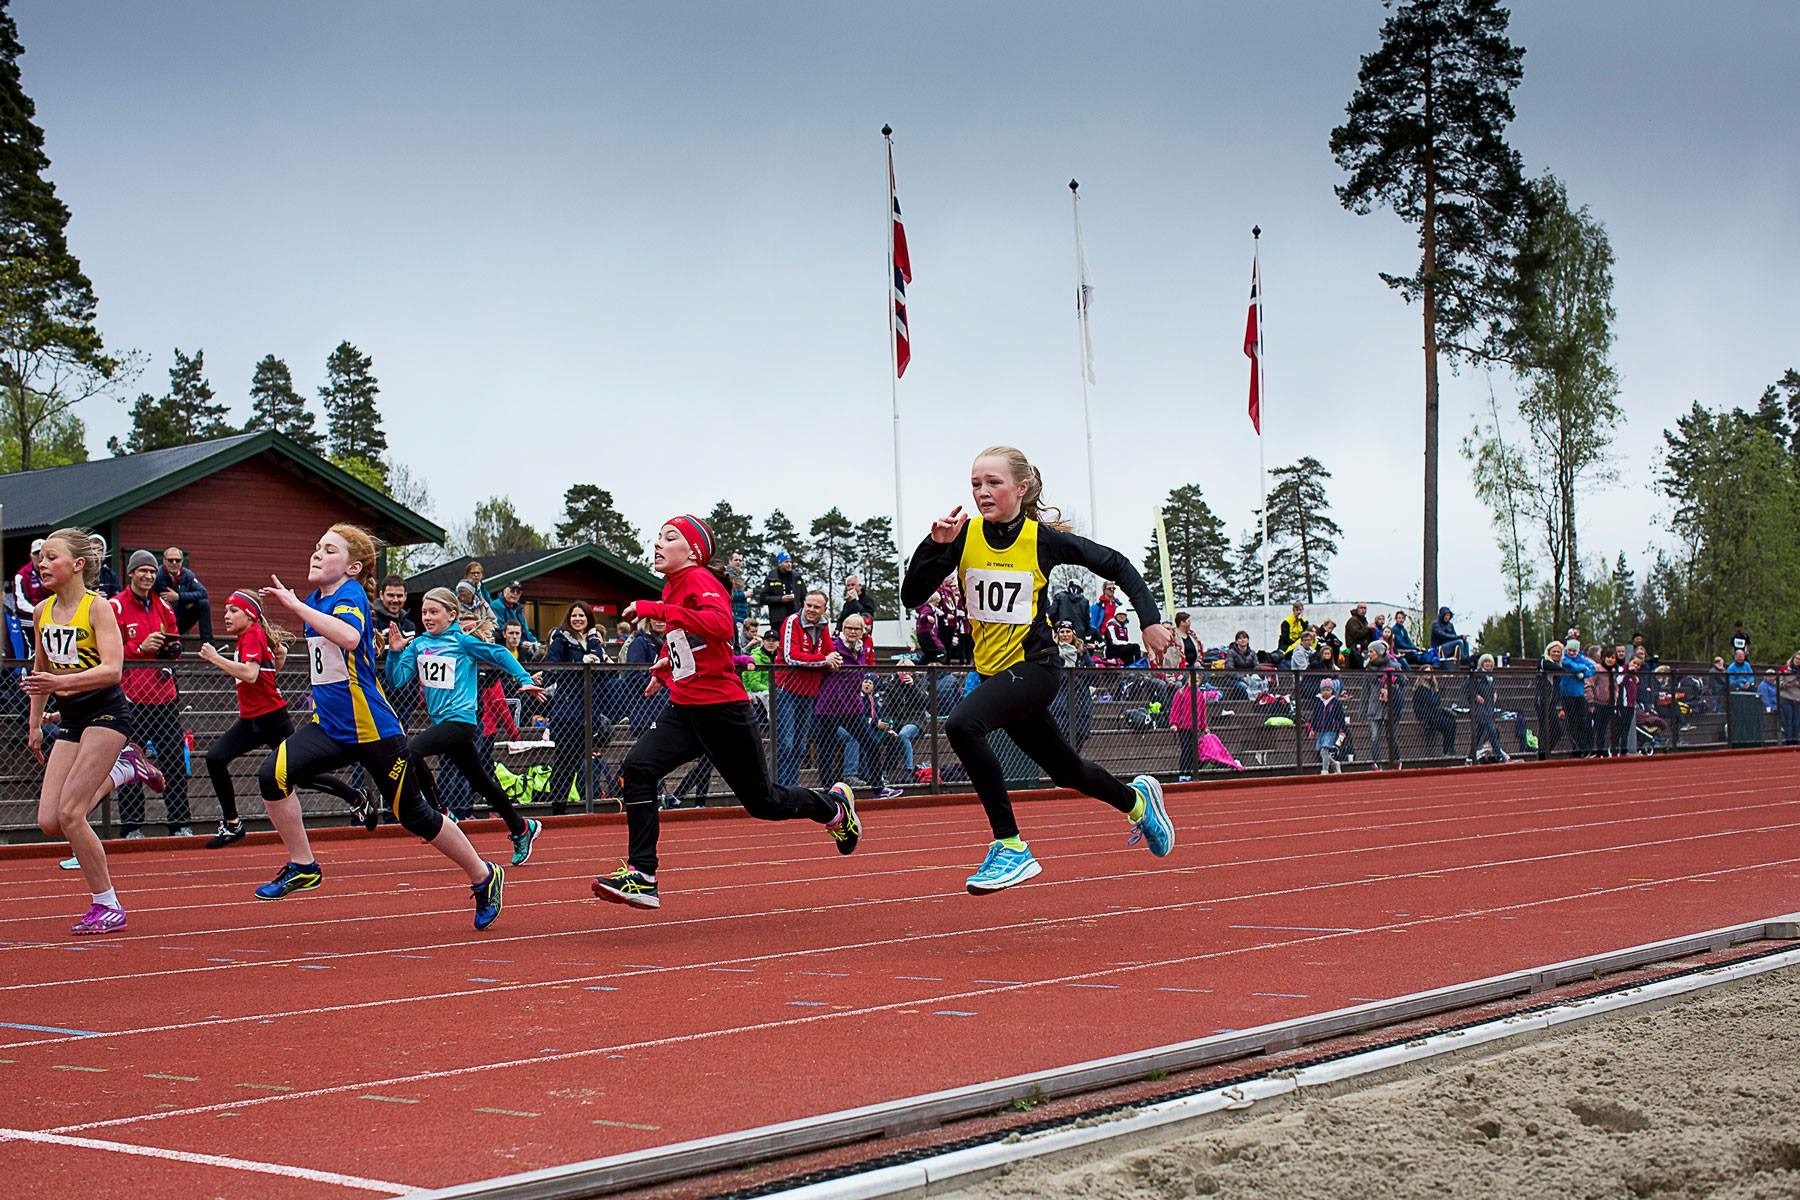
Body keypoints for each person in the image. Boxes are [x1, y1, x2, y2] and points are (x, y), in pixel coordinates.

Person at [898, 445, 1174, 894]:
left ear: (1021, 488)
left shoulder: (1041, 539)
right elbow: (912, 596)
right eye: (975, 484)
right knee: (1067, 771)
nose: (982, 492)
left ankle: (1010, 846)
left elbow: (1117, 564)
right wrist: (934, 546)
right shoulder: (962, 537)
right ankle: (1139, 803)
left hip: (1035, 668)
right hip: (994, 674)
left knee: (963, 725)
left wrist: (1149, 620)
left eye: (993, 483)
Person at [591, 515, 859, 910]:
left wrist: (657, 609)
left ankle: (834, 808)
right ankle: (643, 875)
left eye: (669, 538)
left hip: (722, 710)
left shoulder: (700, 579)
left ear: (694, 551)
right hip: (684, 708)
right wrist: (666, 662)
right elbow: (689, 640)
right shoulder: (673, 585)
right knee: (638, 768)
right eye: (657, 537)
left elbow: (719, 626)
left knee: (763, 803)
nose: (658, 544)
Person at [251, 525, 507, 930]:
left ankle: (483, 875)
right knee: (272, 775)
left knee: (414, 815)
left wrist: (296, 606)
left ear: (352, 567)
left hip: (374, 730)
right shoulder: (319, 598)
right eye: (316, 547)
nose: (316, 554)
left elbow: (351, 638)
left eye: (328, 550)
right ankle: (303, 865)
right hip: (330, 727)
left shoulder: (350, 595)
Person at [26, 529, 156, 934]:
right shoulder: (41, 611)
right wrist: (34, 721)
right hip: (69, 718)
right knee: (50, 821)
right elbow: (39, 673)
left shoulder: (97, 608)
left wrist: (59, 685)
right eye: (40, 559)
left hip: (107, 714)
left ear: (78, 564)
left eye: (51, 557)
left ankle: (107, 904)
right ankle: (124, 769)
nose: (42, 564)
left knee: (71, 812)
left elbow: (112, 671)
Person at [387, 587, 547, 865]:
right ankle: (521, 827)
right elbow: (397, 680)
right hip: (443, 722)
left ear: (451, 615)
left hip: (461, 720)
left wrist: (523, 678)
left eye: (434, 612)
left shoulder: (462, 642)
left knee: (411, 752)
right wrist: (394, 652)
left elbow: (499, 654)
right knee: (480, 780)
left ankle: (441, 813)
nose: (427, 617)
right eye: (424, 612)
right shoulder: (418, 645)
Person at [196, 589, 366, 849]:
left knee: (301, 775)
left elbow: (251, 674)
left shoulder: (252, 634)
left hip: (271, 720)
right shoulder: (248, 636)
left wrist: (215, 658)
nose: (226, 616)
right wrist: (274, 663)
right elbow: (271, 664)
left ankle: (355, 797)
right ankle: (232, 824)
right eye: (226, 610)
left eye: (233, 611)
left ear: (250, 615)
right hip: (252, 720)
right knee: (215, 758)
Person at [113, 549, 192, 837]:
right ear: (131, 573)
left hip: (165, 696)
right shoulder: (116, 607)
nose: (147, 575)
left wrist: (172, 650)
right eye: (141, 570)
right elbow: (106, 653)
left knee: (173, 759)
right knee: (130, 763)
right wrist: (140, 649)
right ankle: (132, 826)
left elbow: (176, 646)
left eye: (151, 571)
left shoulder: (164, 607)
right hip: (131, 698)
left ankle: (180, 823)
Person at [815, 613, 901, 799]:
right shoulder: (833, 646)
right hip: (830, 705)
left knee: (871, 742)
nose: (852, 632)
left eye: (856, 628)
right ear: (843, 629)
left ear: (863, 631)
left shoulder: (862, 649)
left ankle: (879, 787)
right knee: (826, 747)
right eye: (849, 628)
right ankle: (829, 790)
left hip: (852, 707)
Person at [542, 601, 611, 815]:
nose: (578, 619)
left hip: (589, 711)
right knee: (564, 762)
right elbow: (550, 672)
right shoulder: (561, 640)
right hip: (567, 712)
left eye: (581, 616)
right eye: (574, 616)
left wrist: (598, 658)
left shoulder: (593, 640)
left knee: (584, 762)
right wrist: (580, 661)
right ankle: (558, 808)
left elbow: (603, 675)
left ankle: (586, 806)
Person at [772, 589, 838, 787]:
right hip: (787, 689)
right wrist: (823, 660)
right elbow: (791, 656)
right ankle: (780, 787)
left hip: (809, 692)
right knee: (786, 743)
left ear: (824, 609)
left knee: (800, 745)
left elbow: (830, 651)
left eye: (816, 607)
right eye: (808, 605)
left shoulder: (824, 626)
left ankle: (791, 787)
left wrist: (833, 659)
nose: (811, 609)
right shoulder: (792, 621)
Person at [153, 546, 213, 646]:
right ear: (164, 561)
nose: (174, 563)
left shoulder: (187, 575)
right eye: (170, 560)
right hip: (161, 621)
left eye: (177, 560)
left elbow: (203, 593)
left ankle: (208, 645)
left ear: (182, 561)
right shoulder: (157, 576)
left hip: (180, 619)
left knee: (203, 604)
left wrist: (180, 597)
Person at [1362, 641, 1403, 770]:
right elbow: (1365, 689)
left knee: (1391, 736)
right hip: (1374, 706)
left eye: (1371, 651)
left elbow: (1404, 682)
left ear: (1379, 652)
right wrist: (1363, 709)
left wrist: (1394, 682)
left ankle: (1396, 760)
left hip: (1390, 707)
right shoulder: (1369, 668)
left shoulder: (1394, 665)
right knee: (1374, 736)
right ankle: (1376, 762)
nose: (1369, 654)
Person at [1466, 653, 1511, 764]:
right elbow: (1465, 687)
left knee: (1479, 732)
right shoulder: (1476, 674)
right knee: (1492, 730)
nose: (1488, 664)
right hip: (1480, 709)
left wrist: (1494, 693)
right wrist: (1475, 696)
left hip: (1488, 709)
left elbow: (1489, 689)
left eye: (1489, 662)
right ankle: (1500, 755)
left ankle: (1470, 756)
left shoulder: (1489, 677)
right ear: (1481, 663)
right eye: (1486, 662)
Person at [489, 580, 541, 655]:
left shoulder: (518, 608)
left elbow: (525, 630)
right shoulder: (496, 606)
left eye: (518, 592)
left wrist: (535, 642)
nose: (515, 594)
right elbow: (500, 629)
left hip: (520, 646)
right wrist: (521, 643)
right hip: (503, 647)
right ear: (505, 591)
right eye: (512, 591)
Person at [1312, 677, 1347, 774]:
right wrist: (1313, 728)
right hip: (1320, 729)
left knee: (1324, 749)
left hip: (1331, 729)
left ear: (1332, 691)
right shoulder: (1318, 702)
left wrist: (1342, 730)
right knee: (1321, 750)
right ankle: (1335, 763)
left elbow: (1340, 717)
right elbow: (1315, 716)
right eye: (1324, 690)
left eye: (1328, 690)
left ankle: (1325, 770)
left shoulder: (1335, 703)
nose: (1326, 692)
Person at [760, 550, 802, 629]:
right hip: (778, 620)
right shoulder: (771, 577)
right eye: (786, 562)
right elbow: (763, 598)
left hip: (795, 617)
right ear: (779, 563)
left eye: (790, 562)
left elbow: (804, 597)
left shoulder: (797, 577)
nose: (789, 564)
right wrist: (780, 599)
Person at [1778, 651, 1800, 746]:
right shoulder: (1784, 669)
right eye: (1797, 659)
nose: (1798, 661)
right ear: (1793, 658)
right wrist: (1791, 684)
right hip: (1786, 698)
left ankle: (1795, 741)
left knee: (1797, 722)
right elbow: (1779, 683)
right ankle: (1789, 742)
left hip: (1798, 699)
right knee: (1788, 721)